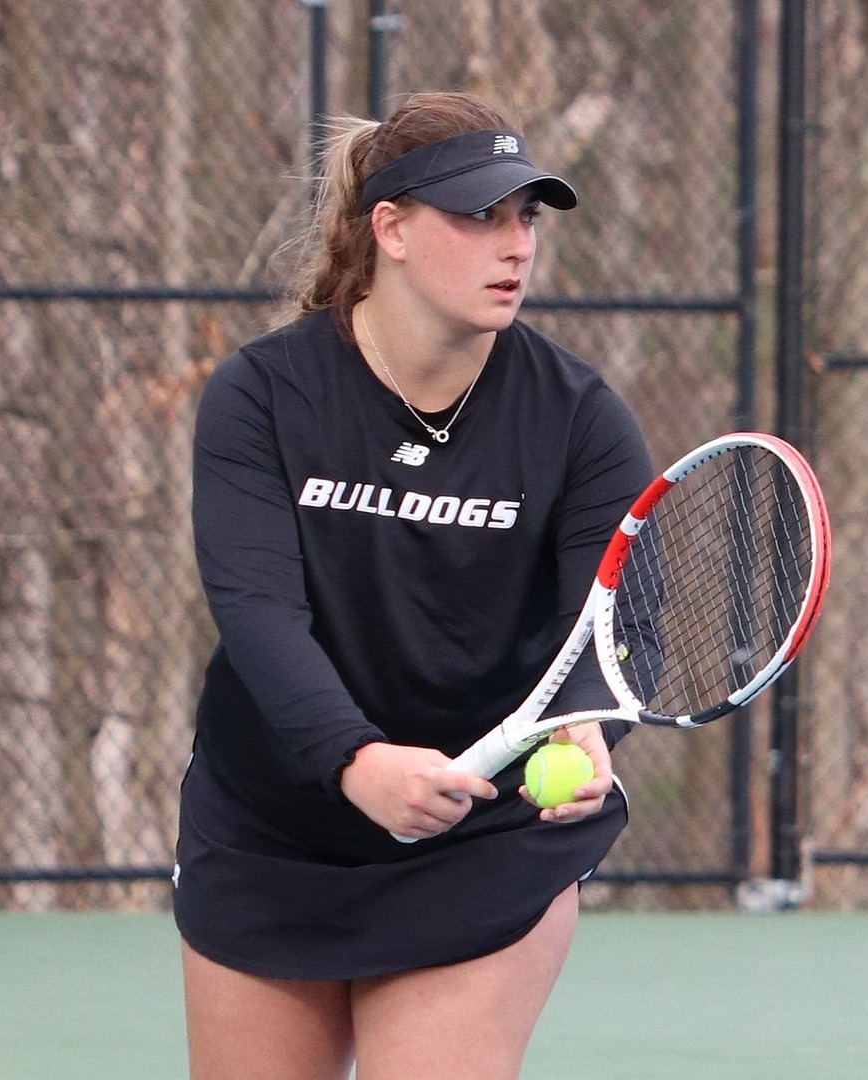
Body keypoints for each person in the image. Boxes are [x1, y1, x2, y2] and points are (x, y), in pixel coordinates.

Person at [176, 90, 653, 1080]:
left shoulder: (579, 419)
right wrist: (354, 760)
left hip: (483, 842)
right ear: (389, 228)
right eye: (479, 217)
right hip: (276, 828)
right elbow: (259, 610)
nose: (514, 245)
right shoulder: (263, 396)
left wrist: (585, 728)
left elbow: (607, 629)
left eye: (526, 217)